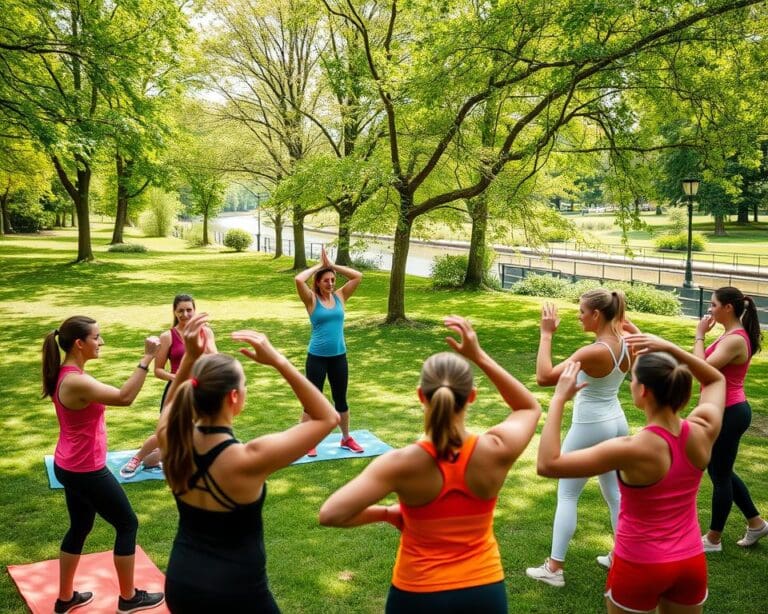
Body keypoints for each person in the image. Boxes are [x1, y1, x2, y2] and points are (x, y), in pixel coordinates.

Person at [319, 316, 541, 614]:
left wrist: (386, 514)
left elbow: (331, 514)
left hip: (418, 594)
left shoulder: (401, 463)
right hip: (483, 592)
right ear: (472, 397)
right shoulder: (495, 450)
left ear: (421, 396)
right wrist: (479, 356)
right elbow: (529, 407)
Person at [156, 313, 339, 613]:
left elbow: (171, 405)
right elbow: (326, 417)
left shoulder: (170, 439)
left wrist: (189, 357)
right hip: (237, 592)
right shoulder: (247, 459)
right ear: (233, 397)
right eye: (244, 386)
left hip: (183, 583)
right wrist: (279, 361)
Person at [537, 334, 726, 613]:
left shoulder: (630, 449)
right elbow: (715, 380)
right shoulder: (704, 429)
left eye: (633, 380)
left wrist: (558, 399)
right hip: (690, 562)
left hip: (640, 564)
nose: (631, 385)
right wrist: (672, 350)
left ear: (644, 392)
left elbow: (548, 464)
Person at [42, 316, 165, 614]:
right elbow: (125, 397)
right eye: (97, 337)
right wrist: (147, 358)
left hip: (69, 464)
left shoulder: (67, 374)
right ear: (79, 344)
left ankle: (66, 598)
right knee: (127, 524)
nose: (102, 342)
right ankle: (129, 598)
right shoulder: (75, 381)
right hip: (85, 469)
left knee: (80, 526)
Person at [526, 289, 633, 587]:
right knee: (615, 494)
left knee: (568, 494)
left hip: (591, 425)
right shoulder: (626, 344)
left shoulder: (594, 351)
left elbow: (545, 377)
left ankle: (554, 568)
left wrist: (546, 334)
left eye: (582, 311)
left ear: (597, 315)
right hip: (616, 423)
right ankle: (622, 557)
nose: (578, 315)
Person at [694, 286, 766, 552]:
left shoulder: (735, 339)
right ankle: (756, 523)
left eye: (713, 305)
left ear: (728, 308)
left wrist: (700, 336)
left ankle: (713, 538)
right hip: (723, 410)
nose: (710, 309)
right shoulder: (730, 335)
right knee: (719, 471)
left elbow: (701, 369)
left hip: (730, 412)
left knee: (721, 475)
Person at [120, 294, 217, 479]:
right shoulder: (168, 336)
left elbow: (214, 357)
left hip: (201, 389)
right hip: (177, 389)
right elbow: (158, 370)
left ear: (194, 310)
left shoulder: (207, 332)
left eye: (189, 310)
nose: (185, 314)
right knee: (167, 431)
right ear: (174, 312)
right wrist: (178, 377)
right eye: (181, 310)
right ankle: (137, 458)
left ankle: (152, 461)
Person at [295, 246, 363, 456]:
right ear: (317, 282)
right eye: (326, 280)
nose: (331, 284)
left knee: (340, 399)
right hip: (316, 358)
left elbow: (357, 276)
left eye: (333, 280)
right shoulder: (311, 300)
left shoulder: (341, 297)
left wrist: (331, 266)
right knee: (312, 402)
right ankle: (308, 441)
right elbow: (298, 279)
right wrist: (319, 266)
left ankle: (346, 438)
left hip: (338, 357)